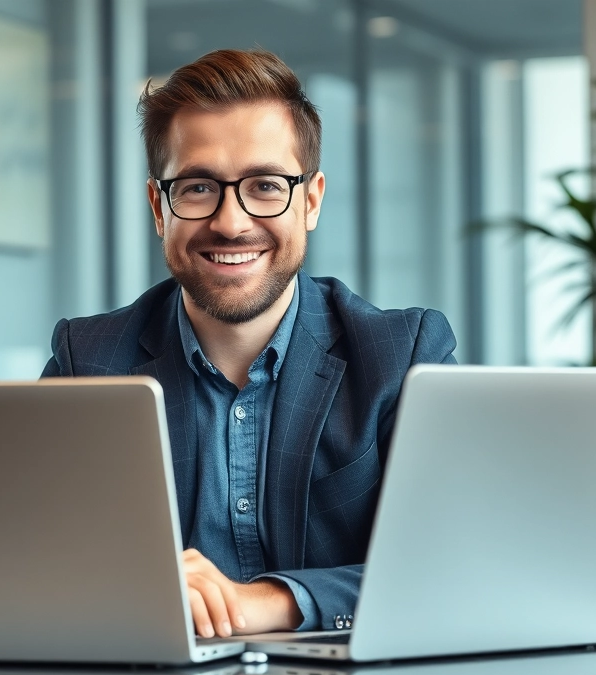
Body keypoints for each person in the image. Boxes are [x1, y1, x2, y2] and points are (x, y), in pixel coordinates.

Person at [42, 47, 457, 641]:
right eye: (198, 187)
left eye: (265, 186)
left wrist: (265, 603)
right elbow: (31, 565)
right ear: (159, 207)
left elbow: (450, 568)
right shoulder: (88, 362)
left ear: (311, 201)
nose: (231, 222)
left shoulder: (403, 356)